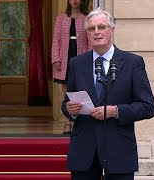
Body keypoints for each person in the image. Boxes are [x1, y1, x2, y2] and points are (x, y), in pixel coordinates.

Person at [62, 10, 154, 179]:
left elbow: (148, 107)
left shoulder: (133, 63)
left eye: (101, 27)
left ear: (112, 30)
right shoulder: (76, 64)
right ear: (87, 34)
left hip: (119, 151)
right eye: (91, 29)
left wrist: (116, 111)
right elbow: (66, 103)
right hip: (84, 152)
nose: (96, 32)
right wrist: (70, 109)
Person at [51, 0, 90, 134]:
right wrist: (56, 58)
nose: (75, 0)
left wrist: (90, 58)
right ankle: (67, 123)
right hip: (64, 58)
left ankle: (80, 122)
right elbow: (56, 40)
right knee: (66, 91)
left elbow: (90, 40)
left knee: (81, 89)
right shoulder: (61, 18)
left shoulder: (87, 19)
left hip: (81, 57)